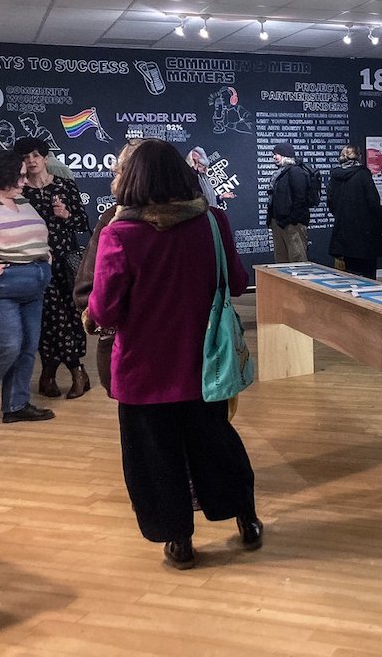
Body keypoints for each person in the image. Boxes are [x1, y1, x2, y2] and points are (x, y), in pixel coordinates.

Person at [87, 139, 262, 569]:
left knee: (155, 458)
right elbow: (237, 282)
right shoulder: (212, 223)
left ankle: (180, 541)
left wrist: (91, 315)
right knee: (217, 445)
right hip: (205, 363)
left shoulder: (120, 233)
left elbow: (106, 308)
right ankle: (246, 519)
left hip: (143, 370)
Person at [0, 151, 54, 428]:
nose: (25, 179)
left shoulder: (21, 200)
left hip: (33, 285)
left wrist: (45, 254)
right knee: (6, 345)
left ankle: (16, 405)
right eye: (20, 175)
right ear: (3, 175)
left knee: (28, 346)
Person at [13, 137, 91, 400]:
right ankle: (57, 371)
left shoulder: (65, 186)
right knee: (46, 320)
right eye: (26, 157)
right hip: (33, 265)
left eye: (35, 155)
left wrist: (66, 215)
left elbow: (83, 223)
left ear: (46, 158)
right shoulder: (19, 192)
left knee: (68, 316)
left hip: (64, 266)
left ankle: (71, 371)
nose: (31, 161)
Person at [74, 140, 144, 393]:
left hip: (129, 350)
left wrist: (99, 320)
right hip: (193, 351)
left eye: (120, 168)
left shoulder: (116, 222)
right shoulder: (207, 221)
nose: (115, 171)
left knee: (138, 427)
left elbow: (89, 291)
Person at [327, 144, 382, 279]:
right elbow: (374, 203)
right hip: (365, 234)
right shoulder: (363, 175)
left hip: (343, 233)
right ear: (359, 157)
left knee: (348, 276)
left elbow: (330, 202)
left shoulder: (335, 176)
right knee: (368, 276)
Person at [267, 142, 310, 263]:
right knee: (281, 261)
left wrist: (291, 219)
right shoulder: (280, 173)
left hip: (293, 225)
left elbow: (300, 199)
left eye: (277, 154)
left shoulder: (296, 172)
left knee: (297, 260)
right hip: (279, 222)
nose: (274, 157)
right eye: (274, 154)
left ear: (285, 155)